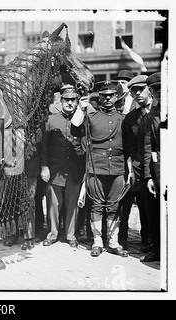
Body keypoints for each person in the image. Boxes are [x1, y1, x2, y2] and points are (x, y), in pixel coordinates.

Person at [71, 81, 131, 257]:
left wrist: (130, 171)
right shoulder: (92, 117)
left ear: (116, 97)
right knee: (97, 205)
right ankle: (97, 242)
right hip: (96, 167)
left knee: (114, 205)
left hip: (118, 167)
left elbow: (129, 146)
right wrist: (81, 109)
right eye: (103, 95)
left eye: (110, 95)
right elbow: (75, 130)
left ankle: (113, 242)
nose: (107, 98)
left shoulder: (123, 119)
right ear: (99, 96)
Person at [40, 85, 85, 248]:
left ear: (77, 101)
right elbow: (44, 145)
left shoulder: (81, 119)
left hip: (74, 169)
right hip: (55, 168)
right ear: (61, 100)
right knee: (54, 203)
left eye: (73, 100)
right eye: (67, 100)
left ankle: (71, 235)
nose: (70, 103)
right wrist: (44, 166)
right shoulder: (51, 119)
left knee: (72, 203)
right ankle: (53, 234)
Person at [120, 75, 151, 252]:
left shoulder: (161, 111)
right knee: (126, 207)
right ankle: (122, 240)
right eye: (134, 90)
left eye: (141, 89)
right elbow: (129, 147)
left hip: (153, 169)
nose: (138, 93)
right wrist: (130, 171)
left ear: (149, 90)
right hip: (136, 169)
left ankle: (148, 242)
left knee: (148, 210)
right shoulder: (130, 118)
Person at [140, 72, 162, 262]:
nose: (160, 92)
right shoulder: (150, 117)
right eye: (156, 89)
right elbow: (148, 149)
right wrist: (149, 177)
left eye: (163, 87)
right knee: (154, 209)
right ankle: (157, 249)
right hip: (160, 169)